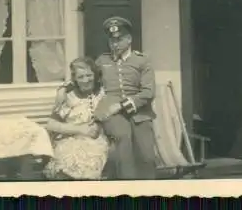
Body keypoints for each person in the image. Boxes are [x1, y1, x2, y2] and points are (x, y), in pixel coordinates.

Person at [93, 16, 157, 180]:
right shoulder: (102, 60)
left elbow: (148, 92)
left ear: (129, 39)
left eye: (119, 39)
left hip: (139, 112)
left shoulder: (142, 60)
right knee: (123, 142)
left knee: (147, 156)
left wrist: (122, 105)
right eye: (112, 40)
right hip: (111, 112)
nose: (115, 44)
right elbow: (84, 77)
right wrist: (64, 88)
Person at [43, 57, 109, 180]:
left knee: (90, 161)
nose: (85, 80)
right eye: (81, 77)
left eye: (89, 75)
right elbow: (51, 124)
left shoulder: (102, 94)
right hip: (70, 140)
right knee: (67, 162)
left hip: (95, 141)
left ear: (95, 75)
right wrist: (79, 129)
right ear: (75, 80)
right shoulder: (69, 97)